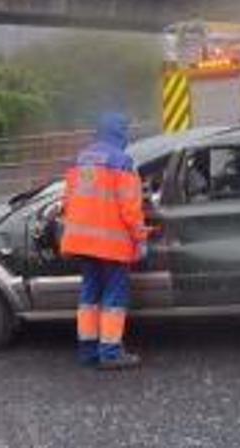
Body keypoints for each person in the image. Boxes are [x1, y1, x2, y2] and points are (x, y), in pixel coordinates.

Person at [60, 112, 148, 369]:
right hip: (111, 244)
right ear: (120, 133)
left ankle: (88, 351)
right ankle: (110, 353)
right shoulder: (121, 161)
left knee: (89, 297)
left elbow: (68, 201)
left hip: (82, 243)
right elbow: (130, 208)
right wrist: (140, 237)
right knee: (114, 299)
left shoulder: (81, 159)